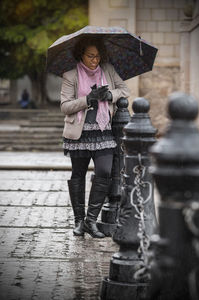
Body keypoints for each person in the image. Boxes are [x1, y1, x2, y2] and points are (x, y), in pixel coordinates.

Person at [60, 36, 130, 238]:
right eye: (91, 56)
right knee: (78, 175)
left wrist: (110, 96)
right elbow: (65, 106)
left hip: (103, 132)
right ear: (81, 54)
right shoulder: (70, 75)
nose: (95, 60)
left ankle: (91, 221)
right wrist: (87, 100)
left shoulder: (108, 70)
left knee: (104, 172)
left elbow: (124, 89)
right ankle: (79, 222)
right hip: (79, 134)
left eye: (98, 56)